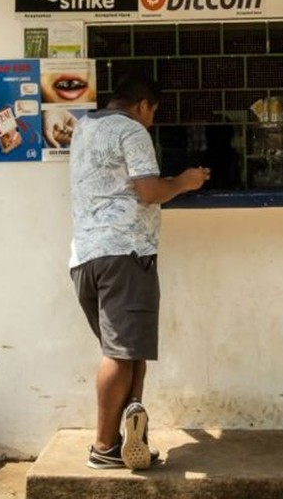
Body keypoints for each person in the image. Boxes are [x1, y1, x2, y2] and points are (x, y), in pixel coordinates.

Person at [69, 74, 209, 470]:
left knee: (129, 351)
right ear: (143, 105)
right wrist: (184, 181)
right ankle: (103, 447)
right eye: (152, 114)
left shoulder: (84, 127)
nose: (151, 122)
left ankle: (132, 435)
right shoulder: (131, 131)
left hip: (86, 257)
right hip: (125, 255)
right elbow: (149, 191)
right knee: (120, 353)